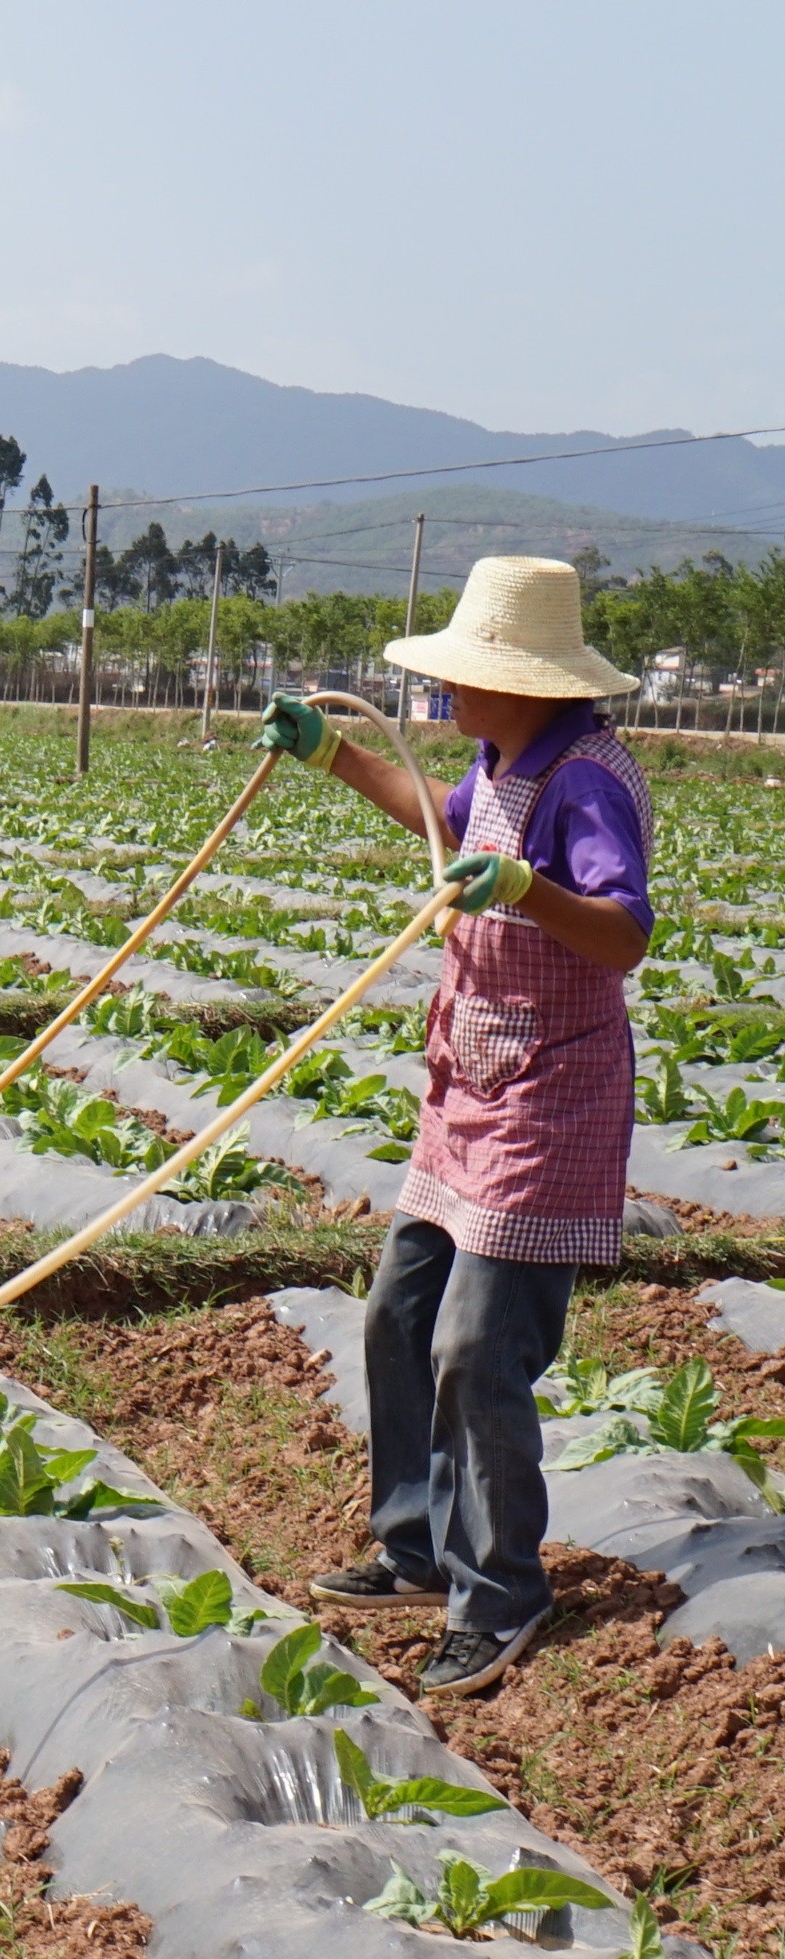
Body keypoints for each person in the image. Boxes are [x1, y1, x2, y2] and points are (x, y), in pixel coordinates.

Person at [257, 555, 653, 1699]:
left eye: (460, 677)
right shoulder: (499, 760)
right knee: (397, 1311)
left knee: (475, 1347)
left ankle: (500, 1588)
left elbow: (622, 933)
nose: (442, 694)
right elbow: (440, 819)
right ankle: (415, 1546)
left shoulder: (586, 781)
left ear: (524, 682)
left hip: (547, 1100)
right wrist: (331, 754)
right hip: (468, 1088)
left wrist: (525, 890)